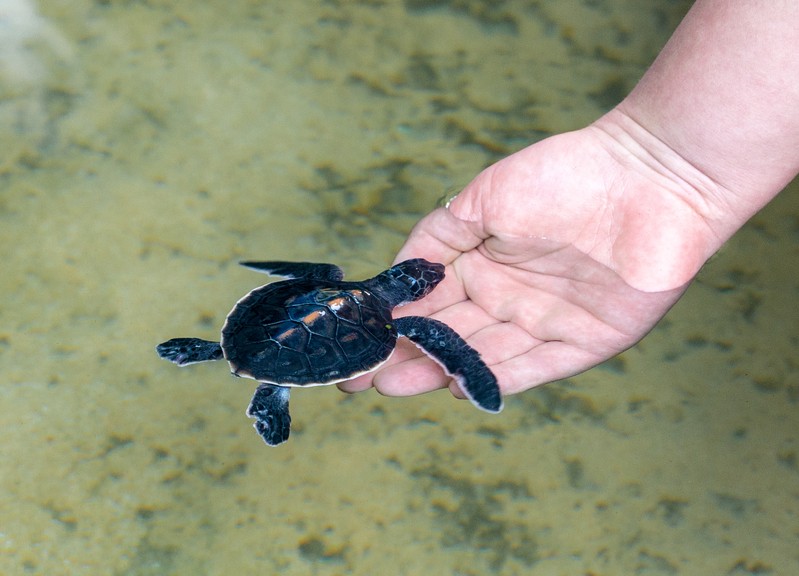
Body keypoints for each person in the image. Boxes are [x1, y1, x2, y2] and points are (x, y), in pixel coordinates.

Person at [339, 0, 799, 403]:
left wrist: (666, 167)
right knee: (436, 337)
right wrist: (661, 162)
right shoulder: (408, 321)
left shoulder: (344, 293)